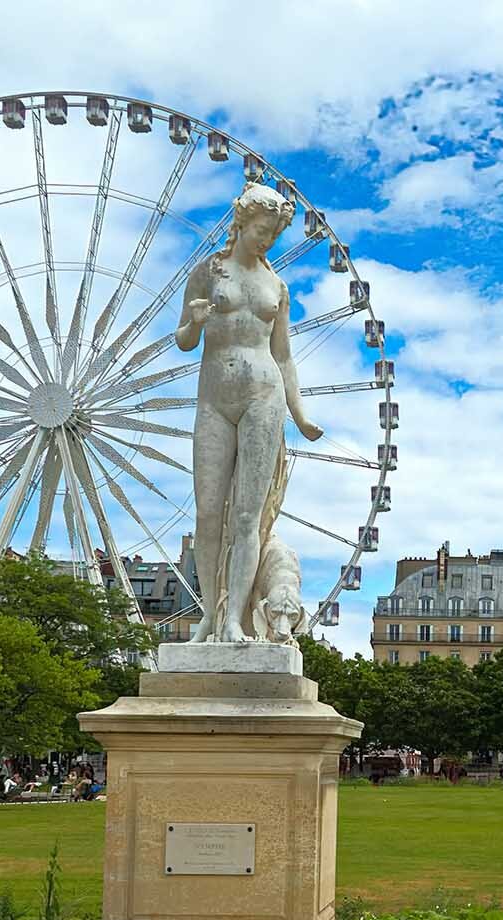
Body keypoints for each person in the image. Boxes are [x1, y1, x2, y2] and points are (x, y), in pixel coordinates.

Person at [177, 183, 322, 642]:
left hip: (264, 395)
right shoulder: (207, 273)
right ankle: (208, 615)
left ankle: (236, 621)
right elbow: (182, 340)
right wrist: (196, 322)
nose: (266, 241)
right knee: (207, 514)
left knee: (247, 517)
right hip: (214, 398)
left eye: (273, 236)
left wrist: (299, 415)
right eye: (261, 231)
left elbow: (283, 356)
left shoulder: (276, 286)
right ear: (241, 223)